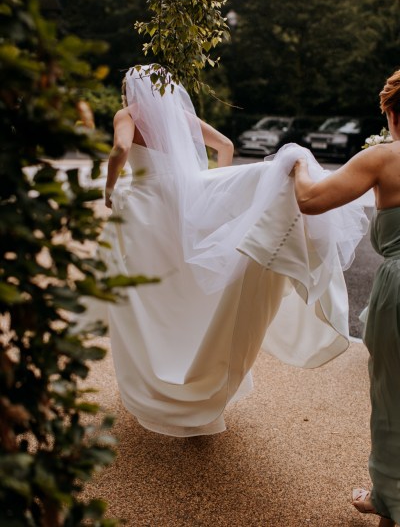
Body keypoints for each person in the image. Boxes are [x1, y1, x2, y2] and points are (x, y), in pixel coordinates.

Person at [98, 64, 368, 437]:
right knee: (186, 287)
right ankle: (195, 373)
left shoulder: (126, 115)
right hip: (180, 208)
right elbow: (225, 145)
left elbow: (121, 148)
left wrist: (109, 190)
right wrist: (212, 194)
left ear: (130, 91)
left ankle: (155, 380)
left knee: (146, 297)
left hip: (144, 211)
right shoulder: (180, 117)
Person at [291, 68, 400, 527]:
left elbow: (311, 201)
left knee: (393, 396)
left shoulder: (383, 158)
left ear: (392, 113)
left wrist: (295, 162)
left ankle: (390, 500)